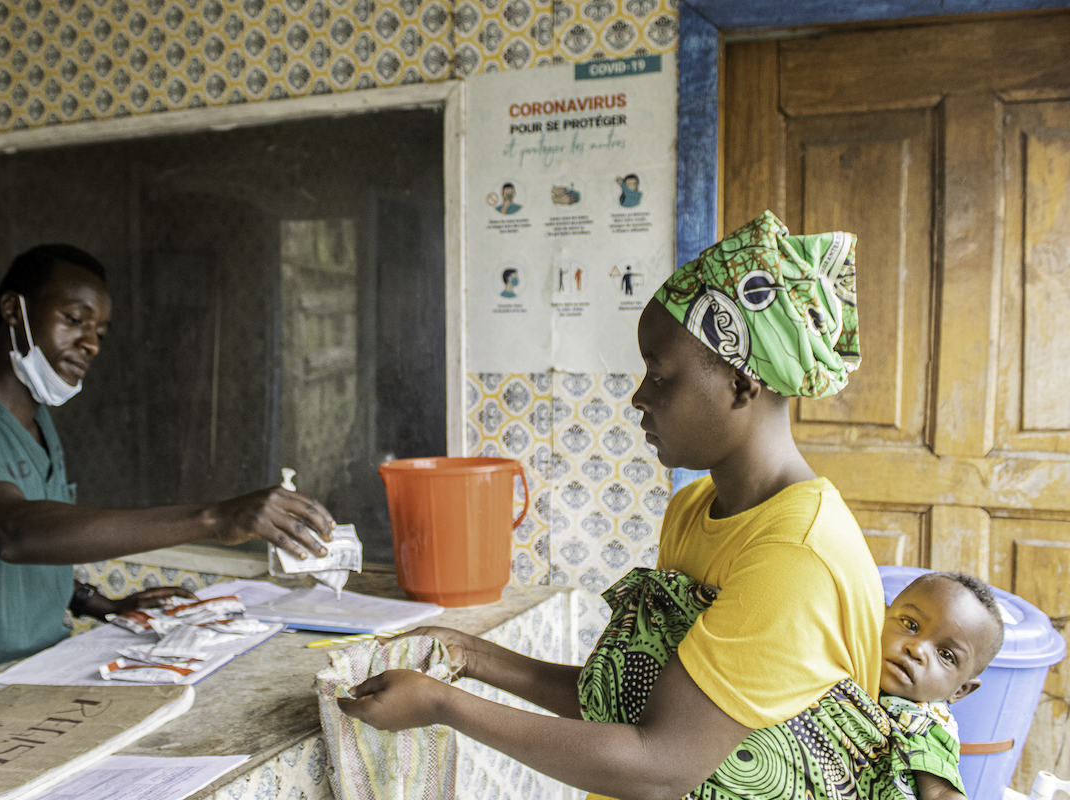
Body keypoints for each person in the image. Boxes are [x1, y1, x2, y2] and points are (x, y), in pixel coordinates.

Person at [340, 210, 881, 800]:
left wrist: (444, 704)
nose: (638, 396)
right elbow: (637, 703)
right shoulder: (696, 508)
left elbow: (661, 765)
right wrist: (468, 654)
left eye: (660, 376)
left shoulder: (795, 559)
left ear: (741, 386)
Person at [0, 244, 336, 698]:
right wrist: (214, 517)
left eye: (100, 332)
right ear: (13, 310)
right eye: (74, 320)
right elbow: (15, 533)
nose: (90, 344)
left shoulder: (37, 424)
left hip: (24, 675)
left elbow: (9, 553)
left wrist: (98, 603)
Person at [879, 571, 1005, 800]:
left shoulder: (924, 722)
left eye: (946, 655)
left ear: (960, 690)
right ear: (881, 614)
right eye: (910, 625)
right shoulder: (852, 656)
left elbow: (941, 793)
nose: (917, 650)